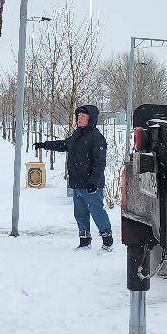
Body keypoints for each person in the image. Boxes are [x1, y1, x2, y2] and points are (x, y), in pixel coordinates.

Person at [35, 104, 113, 250]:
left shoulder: (96, 138)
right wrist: (45, 145)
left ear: (91, 119)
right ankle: (84, 241)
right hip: (77, 184)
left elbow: (99, 163)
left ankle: (107, 240)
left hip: (91, 185)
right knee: (80, 214)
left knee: (97, 212)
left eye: (83, 116)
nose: (79, 118)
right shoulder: (77, 135)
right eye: (78, 116)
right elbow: (64, 145)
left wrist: (93, 182)